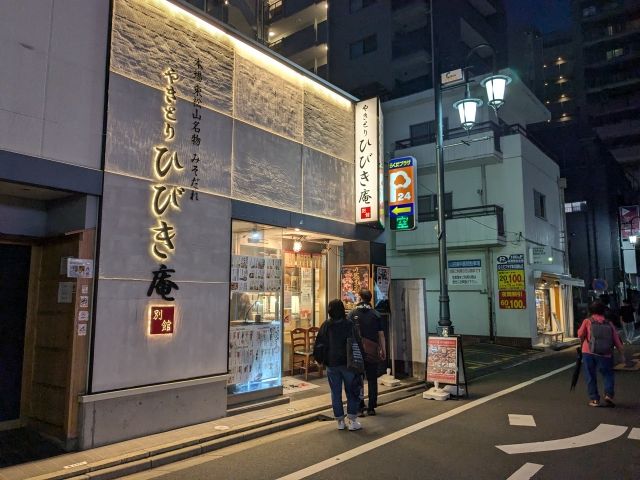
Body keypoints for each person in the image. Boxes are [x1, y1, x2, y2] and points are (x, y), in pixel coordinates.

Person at [317, 299, 363, 431]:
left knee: (335, 392)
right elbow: (357, 342)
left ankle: (340, 422)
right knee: (351, 391)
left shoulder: (326, 325)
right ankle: (352, 421)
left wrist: (320, 360)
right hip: (348, 363)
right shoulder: (349, 324)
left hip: (332, 364)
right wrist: (361, 360)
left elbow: (319, 343)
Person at [577, 301, 625, 407]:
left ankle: (594, 399)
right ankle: (608, 394)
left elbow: (580, 334)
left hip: (588, 352)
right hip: (606, 353)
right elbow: (616, 340)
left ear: (590, 310)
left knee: (590, 375)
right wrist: (622, 355)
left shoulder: (587, 321)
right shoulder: (609, 323)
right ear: (603, 311)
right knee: (608, 374)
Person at [348, 289, 386, 416]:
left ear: (359, 297)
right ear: (370, 299)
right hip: (372, 350)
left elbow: (348, 335)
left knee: (358, 379)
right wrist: (383, 349)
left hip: (357, 351)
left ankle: (360, 406)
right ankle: (371, 407)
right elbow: (381, 335)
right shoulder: (376, 314)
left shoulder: (352, 314)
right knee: (372, 379)